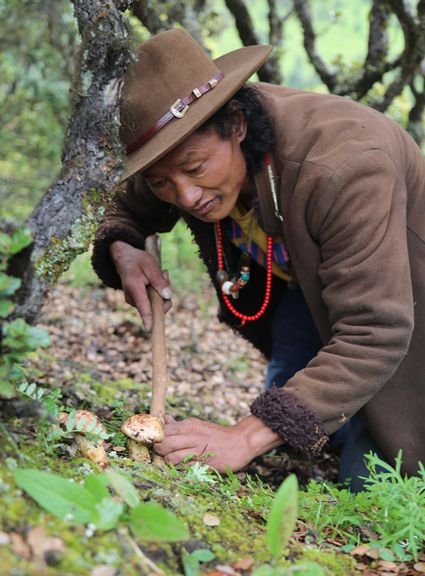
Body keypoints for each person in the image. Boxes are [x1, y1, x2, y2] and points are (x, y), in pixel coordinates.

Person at [92, 28, 425, 491]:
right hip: (305, 289)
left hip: (404, 305)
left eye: (194, 169)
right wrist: (123, 247)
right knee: (297, 421)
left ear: (237, 125)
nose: (185, 197)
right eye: (160, 181)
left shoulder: (345, 167)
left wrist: (243, 438)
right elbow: (124, 205)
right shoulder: (181, 152)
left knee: (376, 477)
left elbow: (375, 331)